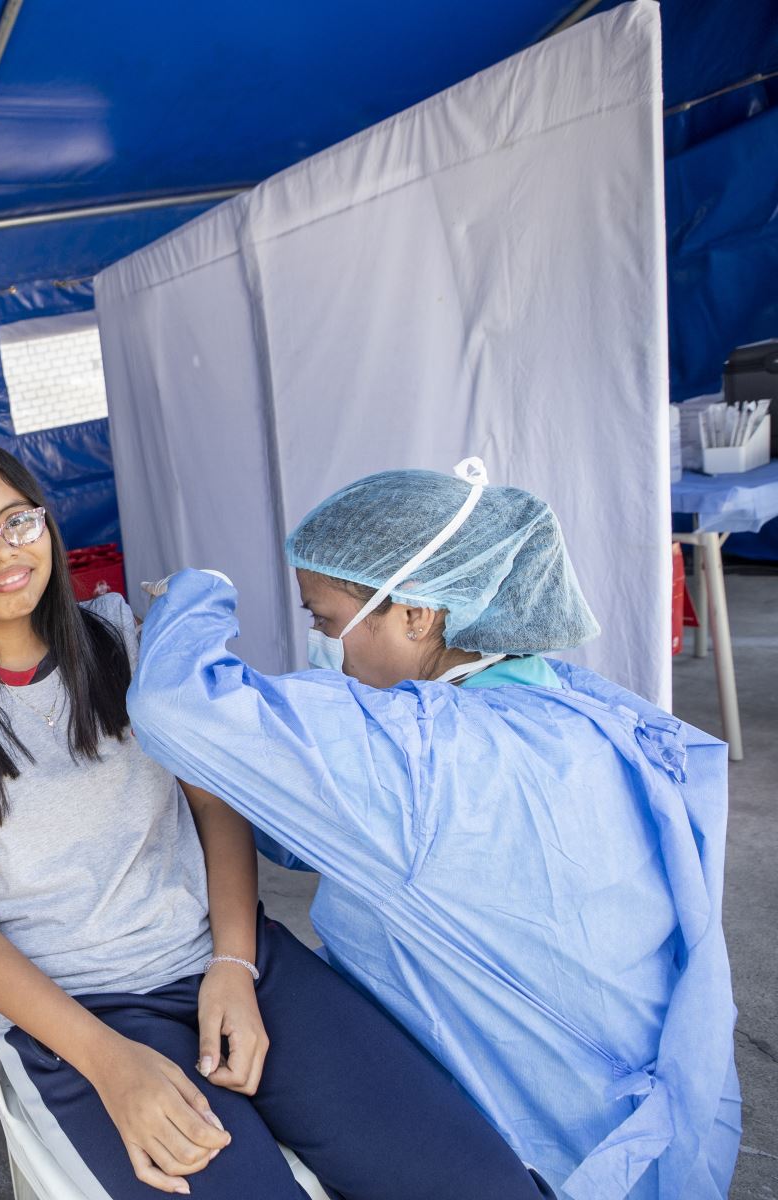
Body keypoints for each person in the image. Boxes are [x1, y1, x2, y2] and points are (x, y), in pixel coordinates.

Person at [0, 441, 545, 1198]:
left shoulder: (122, 638)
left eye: (19, 522)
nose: (3, 552)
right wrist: (110, 1063)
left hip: (233, 959)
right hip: (81, 1016)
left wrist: (234, 965)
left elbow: (212, 803)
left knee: (479, 1181)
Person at [127, 459, 741, 1199]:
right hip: (660, 1129)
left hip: (544, 1148)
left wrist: (190, 595)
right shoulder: (571, 705)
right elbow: (317, 825)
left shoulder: (423, 752)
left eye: (326, 620)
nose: (327, 647)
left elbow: (173, 702)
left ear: (418, 613)